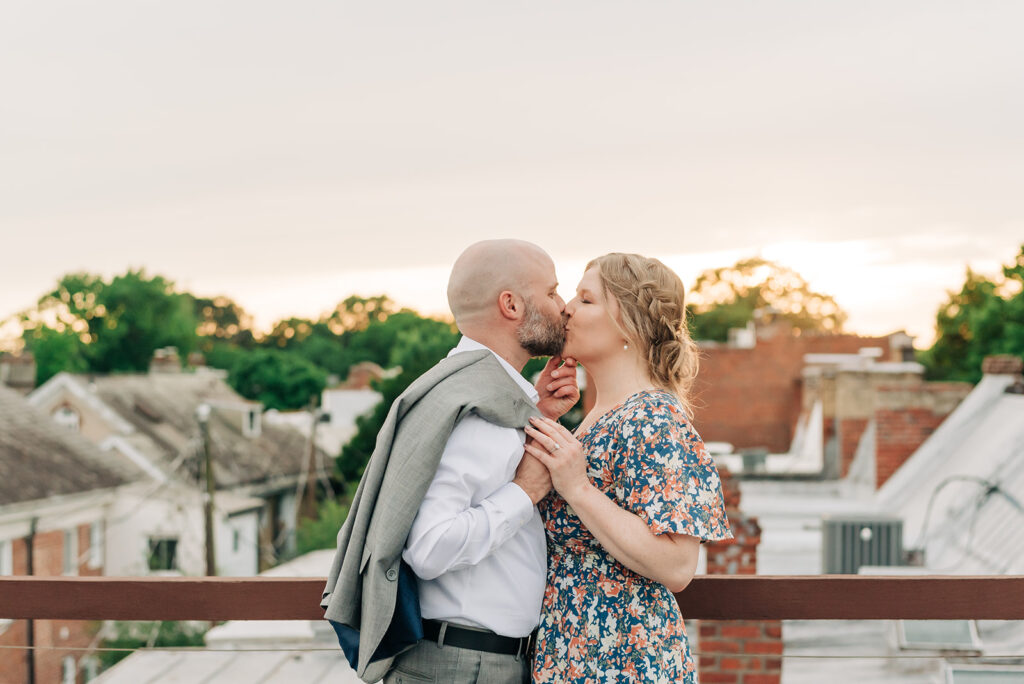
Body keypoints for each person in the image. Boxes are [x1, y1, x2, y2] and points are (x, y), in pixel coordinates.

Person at [321, 239, 579, 684]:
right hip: (464, 667)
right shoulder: (476, 413)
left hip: (469, 662)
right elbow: (430, 547)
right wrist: (527, 491)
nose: (564, 307)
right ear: (512, 304)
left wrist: (536, 413)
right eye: (553, 292)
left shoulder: (476, 395)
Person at [524, 253, 733, 684]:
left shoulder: (654, 418)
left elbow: (677, 566)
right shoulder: (597, 417)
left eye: (586, 300)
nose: (566, 308)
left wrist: (579, 489)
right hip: (571, 656)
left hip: (625, 660)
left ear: (629, 325)